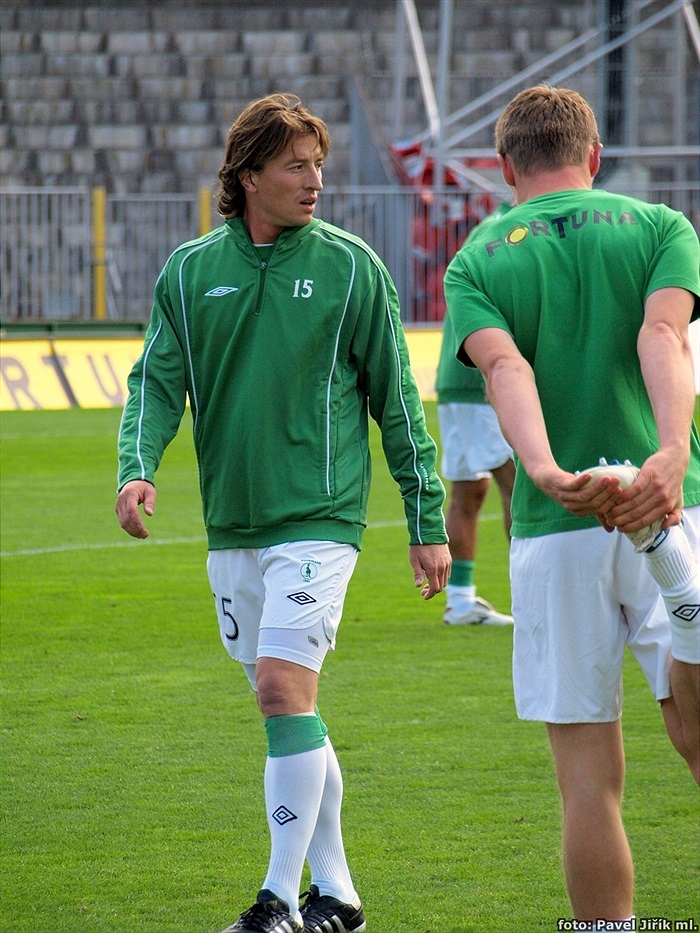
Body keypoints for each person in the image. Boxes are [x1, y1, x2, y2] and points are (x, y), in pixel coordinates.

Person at [115, 93, 451, 933]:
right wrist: (136, 470)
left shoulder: (350, 267)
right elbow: (156, 384)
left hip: (322, 518)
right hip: (233, 528)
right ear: (247, 174)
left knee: (280, 689)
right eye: (296, 164)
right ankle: (337, 896)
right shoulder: (190, 273)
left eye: (318, 163)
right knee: (290, 709)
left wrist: (427, 517)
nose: (315, 180)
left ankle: (277, 900)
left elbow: (398, 403)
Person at [444, 85, 699, 927]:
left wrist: (547, 471)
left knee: (588, 779)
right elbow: (662, 336)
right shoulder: (661, 227)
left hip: (561, 526)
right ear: (592, 156)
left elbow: (504, 369)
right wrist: (667, 452)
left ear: (505, 167)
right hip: (670, 504)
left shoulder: (478, 256)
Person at [437, 202, 515, 626]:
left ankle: (462, 601)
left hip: (459, 377)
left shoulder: (493, 226)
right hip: (481, 379)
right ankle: (532, 594)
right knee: (519, 483)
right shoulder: (507, 230)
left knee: (470, 490)